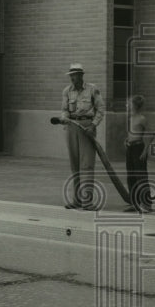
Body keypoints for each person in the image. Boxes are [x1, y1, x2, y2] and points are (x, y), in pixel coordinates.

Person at [60, 63, 105, 209]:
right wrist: (64, 117)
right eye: (71, 75)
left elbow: (100, 109)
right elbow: (64, 109)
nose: (73, 78)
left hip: (87, 127)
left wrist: (93, 125)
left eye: (75, 75)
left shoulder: (92, 89)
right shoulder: (67, 91)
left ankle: (87, 201)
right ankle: (77, 200)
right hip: (71, 127)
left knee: (86, 165)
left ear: (81, 75)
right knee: (75, 165)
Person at [124, 94, 155, 213]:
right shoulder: (130, 118)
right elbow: (131, 133)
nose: (127, 105)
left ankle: (147, 204)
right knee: (131, 176)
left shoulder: (142, 119)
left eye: (129, 103)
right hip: (130, 148)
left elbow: (151, 133)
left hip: (138, 148)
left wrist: (145, 149)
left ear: (135, 106)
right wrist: (126, 140)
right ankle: (135, 203)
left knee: (141, 176)